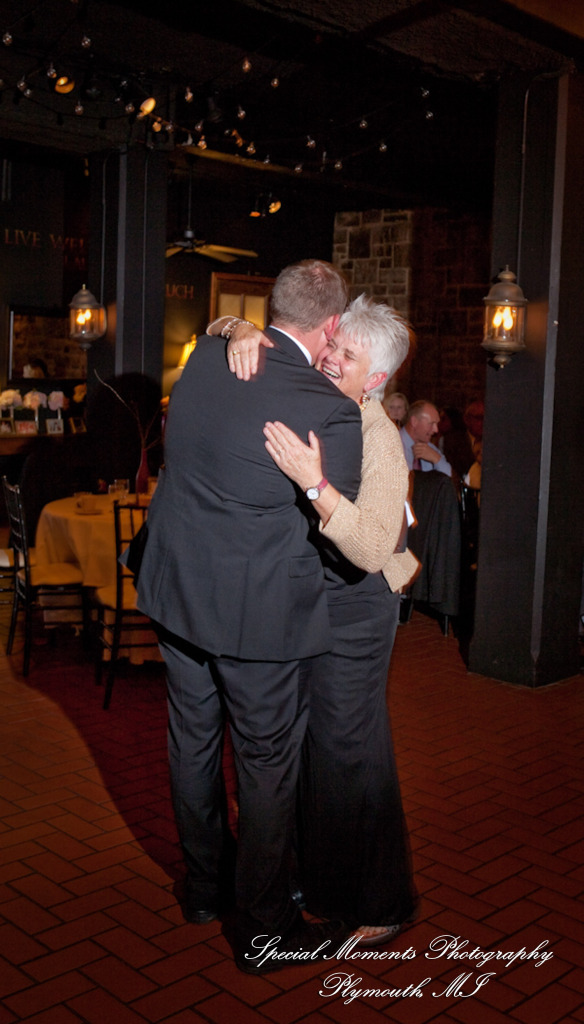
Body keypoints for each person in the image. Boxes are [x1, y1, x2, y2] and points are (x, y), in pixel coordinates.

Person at [135, 260, 361, 975]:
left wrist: (230, 326)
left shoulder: (207, 354)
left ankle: (204, 890)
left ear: (272, 309)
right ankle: (264, 928)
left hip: (176, 591)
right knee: (265, 766)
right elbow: (339, 531)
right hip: (256, 614)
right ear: (330, 324)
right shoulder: (329, 407)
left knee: (192, 742)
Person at [215, 294, 419, 945]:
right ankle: (323, 881)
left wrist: (314, 484)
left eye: (347, 355)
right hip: (315, 599)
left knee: (351, 756)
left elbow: (373, 545)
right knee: (314, 750)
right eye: (332, 345)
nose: (330, 358)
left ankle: (384, 903)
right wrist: (240, 327)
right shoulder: (321, 396)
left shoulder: (379, 434)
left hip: (359, 606)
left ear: (377, 378)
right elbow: (221, 329)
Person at [400, 400, 453, 476]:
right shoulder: (392, 446)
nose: (436, 430)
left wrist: (436, 459)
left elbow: (448, 478)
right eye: (431, 424)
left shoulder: (430, 448)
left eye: (437, 424)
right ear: (414, 421)